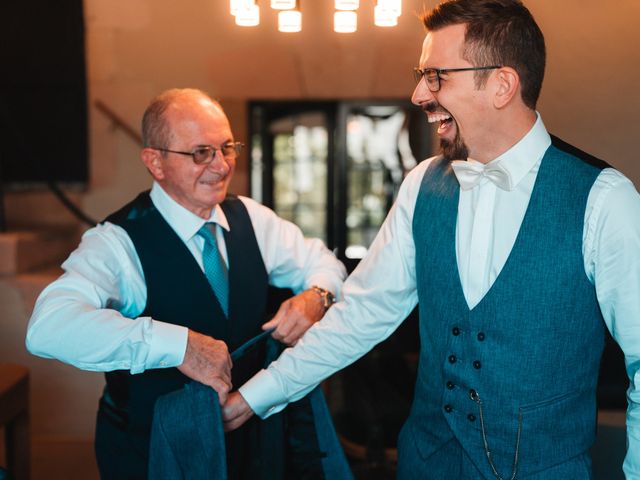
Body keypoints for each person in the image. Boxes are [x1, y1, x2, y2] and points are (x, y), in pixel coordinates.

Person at [223, 1, 640, 478]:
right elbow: (363, 314)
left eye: (437, 76)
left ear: (502, 84)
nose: (419, 93)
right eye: (421, 74)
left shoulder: (604, 199)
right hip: (425, 463)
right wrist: (254, 397)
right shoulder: (424, 184)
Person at [25, 88, 347, 479]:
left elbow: (323, 262)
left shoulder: (251, 218)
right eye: (200, 153)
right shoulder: (117, 241)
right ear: (155, 162)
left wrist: (318, 296)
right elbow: (48, 327)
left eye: (227, 147)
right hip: (155, 453)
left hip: (251, 444)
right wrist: (178, 346)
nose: (222, 166)